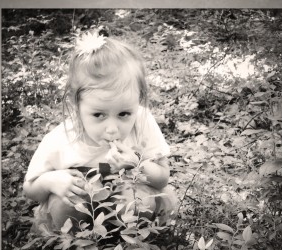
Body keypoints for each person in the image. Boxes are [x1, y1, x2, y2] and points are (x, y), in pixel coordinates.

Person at [23, 27, 178, 234]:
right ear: (77, 106)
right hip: (80, 213)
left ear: (138, 100)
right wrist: (50, 181)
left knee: (144, 200)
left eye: (124, 114)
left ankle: (132, 243)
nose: (112, 129)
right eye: (98, 115)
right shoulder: (62, 139)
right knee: (65, 203)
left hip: (128, 203)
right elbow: (30, 189)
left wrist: (137, 165)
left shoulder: (142, 121)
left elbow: (162, 179)